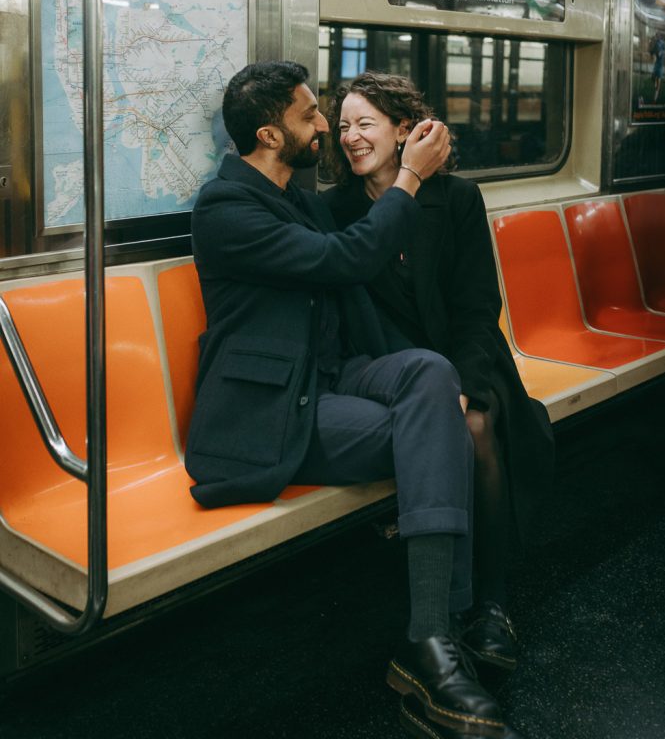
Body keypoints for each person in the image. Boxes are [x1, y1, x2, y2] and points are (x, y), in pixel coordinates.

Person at [186, 61, 515, 738]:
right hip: (273, 410)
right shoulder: (226, 208)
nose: (327, 130)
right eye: (313, 117)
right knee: (441, 433)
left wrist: (436, 381)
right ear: (271, 134)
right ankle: (436, 637)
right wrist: (410, 178)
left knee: (430, 375)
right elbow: (342, 264)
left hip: (331, 379)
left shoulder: (296, 200)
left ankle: (432, 639)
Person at [323, 71, 554, 678]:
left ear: (405, 131)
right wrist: (426, 383)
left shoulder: (457, 201)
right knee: (442, 424)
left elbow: (478, 308)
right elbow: (355, 313)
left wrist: (463, 383)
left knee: (477, 426)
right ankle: (446, 610)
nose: (350, 138)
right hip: (390, 367)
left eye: (365, 124)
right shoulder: (335, 210)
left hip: (469, 354)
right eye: (343, 126)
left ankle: (491, 603)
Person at [649, 33, 665, 103]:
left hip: (660, 65)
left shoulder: (662, 43)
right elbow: (652, 52)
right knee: (653, 78)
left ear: (660, 37)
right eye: (656, 36)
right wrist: (652, 54)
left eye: (658, 36)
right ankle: (655, 82)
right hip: (657, 64)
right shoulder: (655, 44)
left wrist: (661, 53)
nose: (657, 37)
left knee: (658, 82)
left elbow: (664, 51)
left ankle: (655, 99)